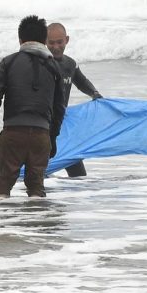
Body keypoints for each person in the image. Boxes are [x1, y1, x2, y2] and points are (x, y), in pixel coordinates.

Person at [0, 15, 66, 199]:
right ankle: (34, 225)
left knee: (3, 185)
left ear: (20, 39)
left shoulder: (9, 62)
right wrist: (52, 136)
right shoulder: (54, 67)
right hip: (41, 135)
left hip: (13, 133)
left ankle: (0, 226)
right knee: (36, 187)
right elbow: (59, 106)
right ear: (45, 40)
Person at [46, 22, 102, 178]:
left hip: (62, 128)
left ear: (67, 40)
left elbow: (82, 82)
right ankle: (36, 201)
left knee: (78, 176)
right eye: (51, 43)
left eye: (60, 42)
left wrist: (95, 94)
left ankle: (72, 200)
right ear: (44, 41)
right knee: (38, 172)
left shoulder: (70, 64)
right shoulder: (40, 63)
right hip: (42, 127)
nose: (56, 47)